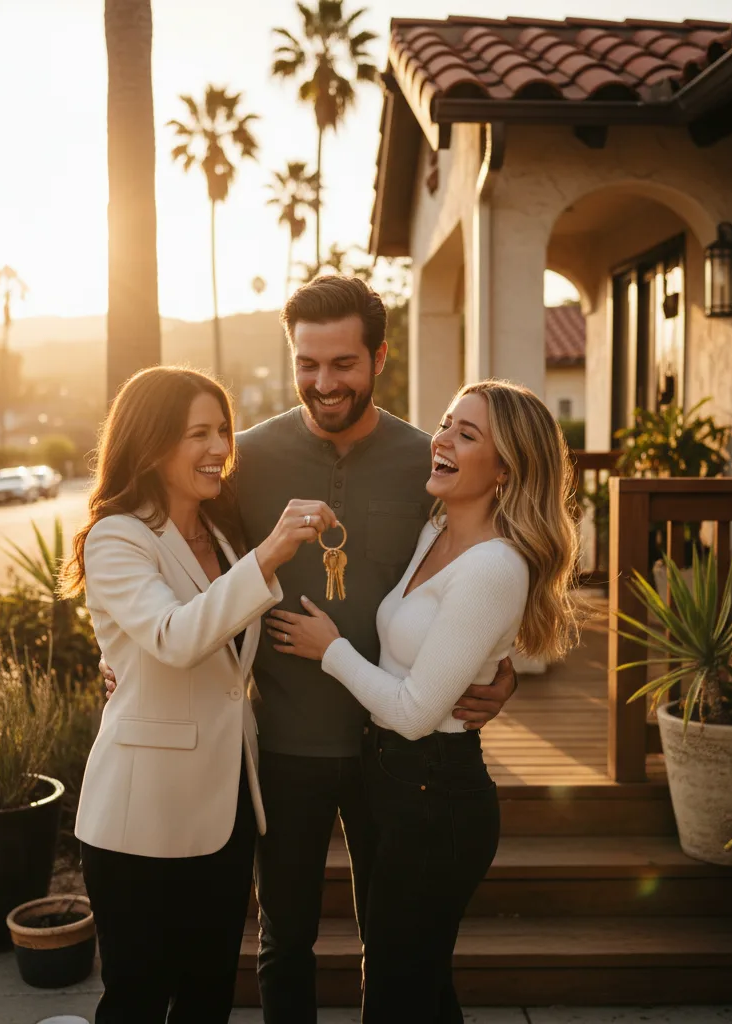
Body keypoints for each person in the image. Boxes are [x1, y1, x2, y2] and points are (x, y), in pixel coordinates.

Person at [100, 275, 518, 1022]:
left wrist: (503, 667)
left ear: (379, 357)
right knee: (282, 939)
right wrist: (116, 660)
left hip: (388, 749)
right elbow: (171, 556)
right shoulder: (242, 460)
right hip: (279, 746)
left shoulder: (429, 461)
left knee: (389, 943)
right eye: (307, 364)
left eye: (343, 364)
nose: (324, 383)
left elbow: (475, 567)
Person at [264, 379, 581, 1022]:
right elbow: (436, 648)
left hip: (438, 795)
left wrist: (328, 649)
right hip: (399, 782)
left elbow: (413, 711)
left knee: (396, 995)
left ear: (506, 468)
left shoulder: (494, 567)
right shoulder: (436, 529)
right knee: (418, 990)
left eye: (468, 435)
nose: (442, 441)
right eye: (445, 423)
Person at [59, 366, 339, 1023]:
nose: (218, 447)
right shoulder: (118, 536)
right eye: (197, 434)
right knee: (137, 998)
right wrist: (270, 552)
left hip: (225, 809)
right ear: (152, 444)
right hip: (141, 819)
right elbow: (174, 636)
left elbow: (226, 665)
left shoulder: (218, 535)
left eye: (223, 430)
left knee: (209, 997)